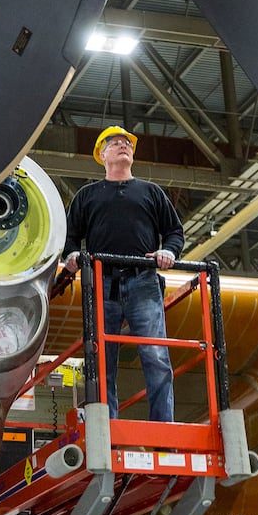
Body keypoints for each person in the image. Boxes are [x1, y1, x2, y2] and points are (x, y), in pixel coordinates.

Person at [63, 125, 184, 422]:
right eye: (115, 143)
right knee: (103, 362)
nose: (123, 145)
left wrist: (168, 252)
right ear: (102, 155)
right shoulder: (87, 196)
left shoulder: (152, 193)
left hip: (143, 281)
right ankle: (108, 430)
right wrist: (71, 256)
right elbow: (69, 238)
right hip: (101, 283)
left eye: (127, 143)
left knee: (156, 356)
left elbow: (174, 232)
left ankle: (163, 428)